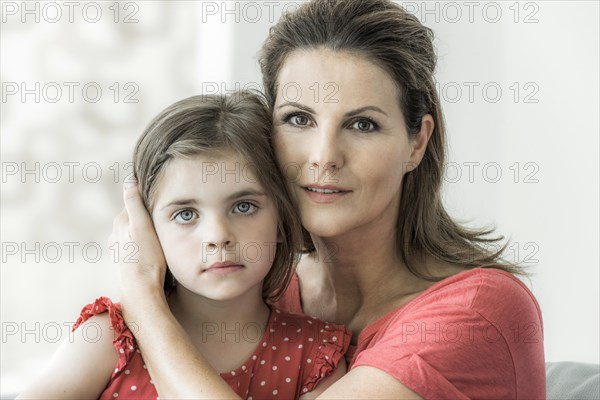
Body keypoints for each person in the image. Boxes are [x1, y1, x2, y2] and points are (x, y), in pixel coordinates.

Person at [110, 0, 546, 398]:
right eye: (298, 119)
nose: (324, 157)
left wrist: (141, 298)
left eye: (362, 125)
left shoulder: (476, 314)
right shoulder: (261, 287)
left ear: (417, 143)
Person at [17, 92, 351, 400]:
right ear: (147, 231)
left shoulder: (315, 355)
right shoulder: (109, 339)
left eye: (244, 206)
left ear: (281, 219)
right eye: (186, 214)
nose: (218, 235)